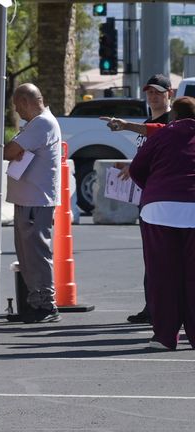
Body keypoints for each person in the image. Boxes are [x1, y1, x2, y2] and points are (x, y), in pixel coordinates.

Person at [101, 74, 173, 325]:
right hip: (150, 197)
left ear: (169, 94)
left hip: (166, 200)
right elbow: (150, 154)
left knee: (166, 257)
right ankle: (151, 306)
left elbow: (159, 134)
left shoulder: (172, 122)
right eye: (149, 92)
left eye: (158, 92)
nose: (153, 96)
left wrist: (124, 125)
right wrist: (132, 166)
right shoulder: (148, 120)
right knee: (151, 256)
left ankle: (164, 309)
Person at [128, 96, 195, 350]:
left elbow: (136, 169)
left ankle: (165, 337)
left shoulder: (163, 135)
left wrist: (155, 189)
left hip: (159, 211)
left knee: (163, 274)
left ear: (173, 116)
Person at [4, 83, 62, 324]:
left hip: (36, 200)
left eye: (18, 106)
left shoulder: (42, 123)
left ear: (27, 102)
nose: (17, 111)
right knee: (28, 255)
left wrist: (14, 148)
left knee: (36, 254)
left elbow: (9, 151)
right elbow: (14, 150)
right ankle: (35, 302)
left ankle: (45, 304)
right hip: (29, 199)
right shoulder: (36, 125)